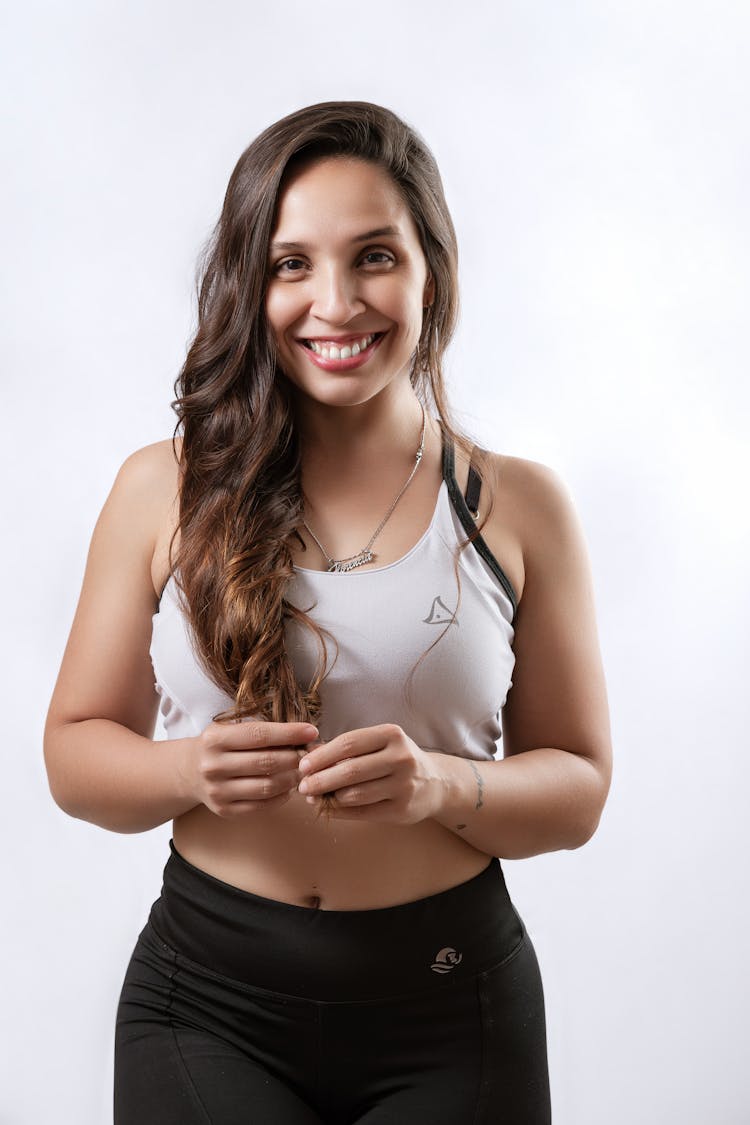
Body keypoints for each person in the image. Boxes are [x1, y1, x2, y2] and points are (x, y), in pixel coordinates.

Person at [44, 100, 612, 1124]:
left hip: (452, 1008)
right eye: (291, 264)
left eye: (374, 257)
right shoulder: (163, 490)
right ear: (249, 283)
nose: (336, 303)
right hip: (206, 1006)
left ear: (432, 269)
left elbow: (576, 789)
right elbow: (74, 756)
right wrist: (189, 770)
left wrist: (442, 784)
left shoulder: (518, 506)